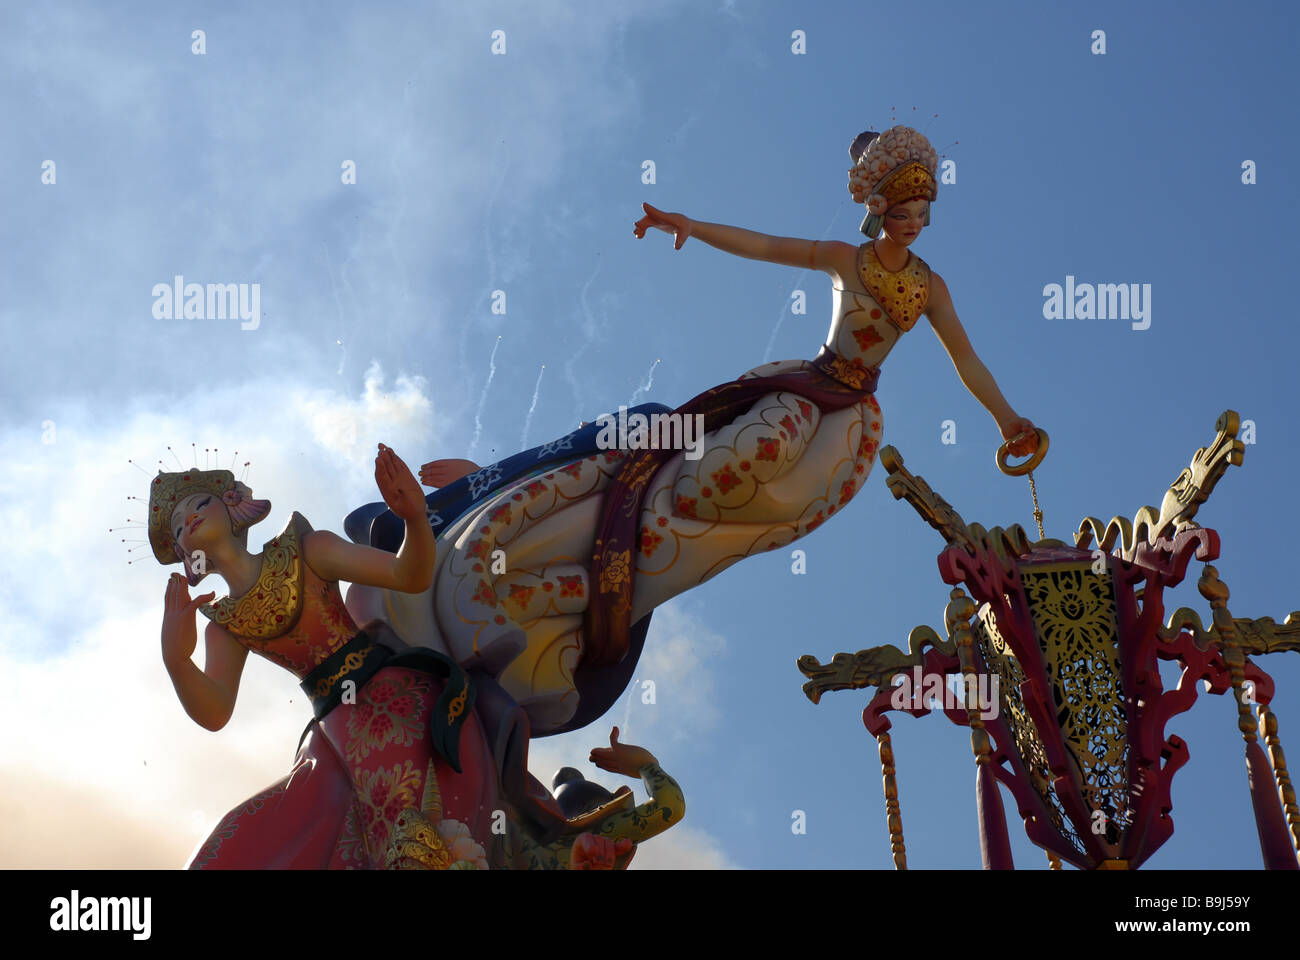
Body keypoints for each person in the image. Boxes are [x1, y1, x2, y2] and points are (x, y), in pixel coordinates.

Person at [344, 125, 1040, 748]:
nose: (914, 223)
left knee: (755, 495)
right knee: (720, 456)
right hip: (804, 388)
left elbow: (965, 359)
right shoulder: (844, 259)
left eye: (923, 213)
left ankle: (638, 551)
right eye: (904, 211)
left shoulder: (932, 287)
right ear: (879, 209)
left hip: (850, 417)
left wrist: (1008, 422)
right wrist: (689, 225)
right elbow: (765, 247)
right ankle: (543, 497)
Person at [152, 445, 583, 868]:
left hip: (395, 701)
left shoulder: (307, 549)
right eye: (176, 525)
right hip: (334, 731)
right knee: (236, 851)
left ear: (234, 507)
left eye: (200, 503)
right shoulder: (222, 625)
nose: (187, 519)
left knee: (417, 832)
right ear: (184, 554)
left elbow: (407, 575)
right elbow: (215, 712)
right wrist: (177, 660)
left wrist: (413, 517)